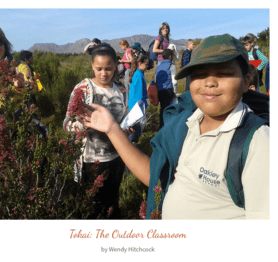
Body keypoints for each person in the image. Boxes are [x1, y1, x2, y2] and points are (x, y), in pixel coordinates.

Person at [79, 34, 269, 220]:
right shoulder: (186, 123)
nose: (210, 82)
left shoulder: (257, 142)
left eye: (224, 73)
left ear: (246, 80)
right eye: (200, 75)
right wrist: (112, 129)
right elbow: (156, 176)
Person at [63, 44, 128, 219]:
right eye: (99, 69)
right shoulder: (83, 88)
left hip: (116, 157)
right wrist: (84, 125)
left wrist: (129, 130)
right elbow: (67, 123)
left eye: (108, 69)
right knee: (92, 205)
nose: (104, 73)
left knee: (113, 201)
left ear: (116, 67)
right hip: (91, 161)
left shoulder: (121, 90)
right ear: (92, 66)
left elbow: (124, 120)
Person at [0, 23, 24, 150]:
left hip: (19, 122)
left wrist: (21, 84)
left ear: (5, 43)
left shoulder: (18, 65)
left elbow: (33, 86)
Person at [127, 53, 149, 142]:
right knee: (137, 126)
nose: (147, 66)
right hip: (138, 104)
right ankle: (132, 145)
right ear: (140, 63)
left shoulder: (136, 73)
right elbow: (139, 93)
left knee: (134, 125)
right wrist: (141, 106)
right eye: (146, 64)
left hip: (133, 103)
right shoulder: (139, 74)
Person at [155, 49, 174, 128]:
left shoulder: (158, 67)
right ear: (170, 57)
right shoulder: (171, 66)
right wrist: (174, 92)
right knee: (169, 109)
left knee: (162, 109)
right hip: (168, 90)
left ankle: (161, 126)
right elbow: (174, 81)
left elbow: (156, 79)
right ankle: (167, 127)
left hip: (160, 90)